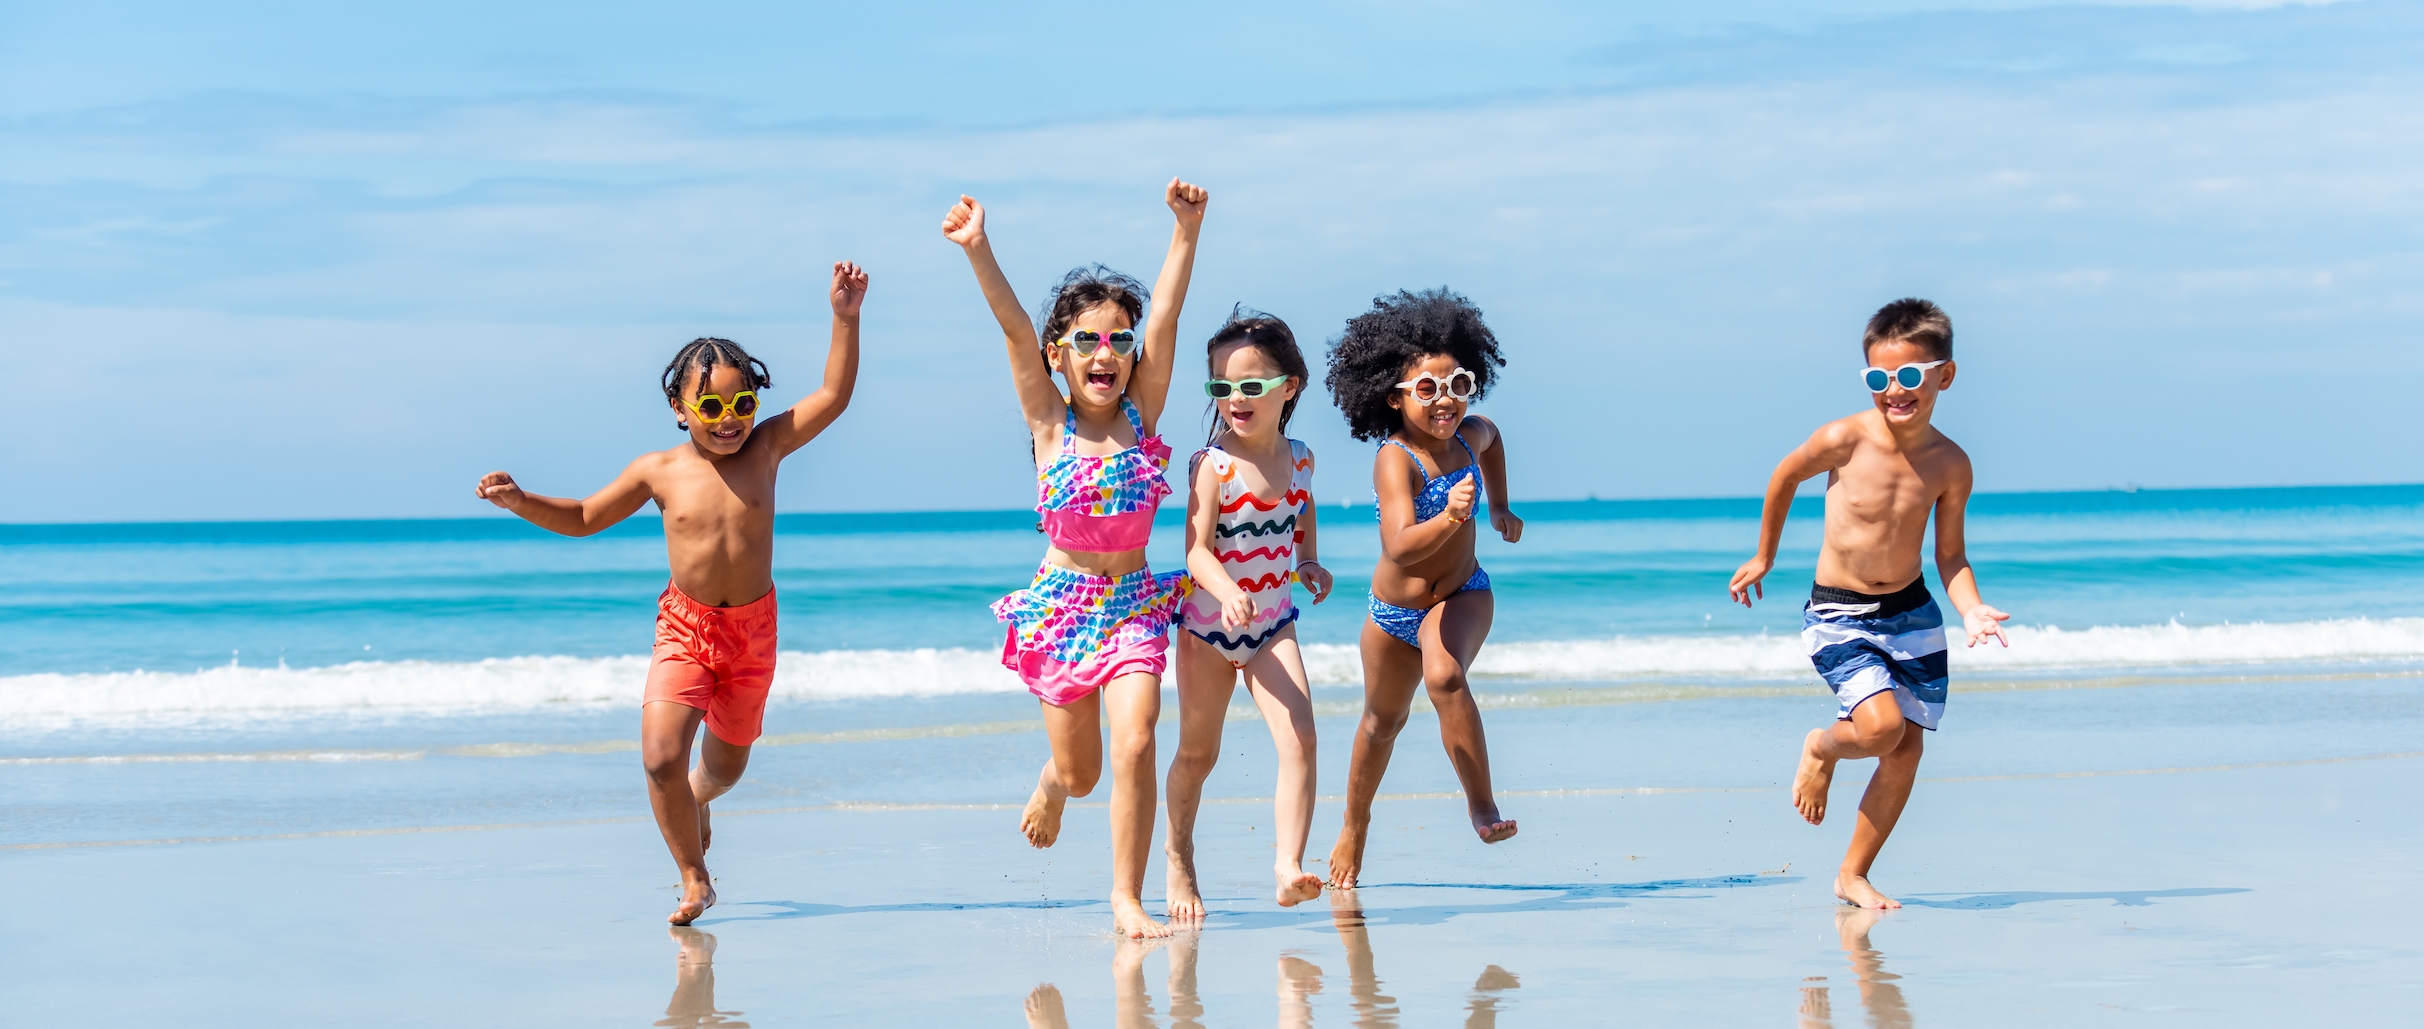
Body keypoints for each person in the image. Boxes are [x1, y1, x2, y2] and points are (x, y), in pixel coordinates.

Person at [475, 262, 869, 925]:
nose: (729, 419)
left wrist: (845, 316)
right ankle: (694, 877)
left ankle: (701, 796)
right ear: (680, 407)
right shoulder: (658, 471)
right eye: (710, 406)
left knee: (725, 766)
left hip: (752, 634)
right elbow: (580, 517)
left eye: (741, 403)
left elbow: (834, 392)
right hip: (685, 628)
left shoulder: (767, 448)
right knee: (660, 755)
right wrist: (520, 501)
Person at [940, 179, 1208, 940]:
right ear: (1061, 356)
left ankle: (1125, 896)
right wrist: (979, 248)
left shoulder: (1142, 414)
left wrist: (1185, 231)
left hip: (1131, 606)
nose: (1105, 352)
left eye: (1117, 340)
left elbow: (1167, 314)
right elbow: (1014, 329)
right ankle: (1055, 782)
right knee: (1085, 771)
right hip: (1061, 608)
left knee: (1138, 737)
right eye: (1087, 339)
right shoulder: (1049, 421)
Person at [1727, 297, 2012, 910]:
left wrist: (1972, 609)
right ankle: (1823, 745)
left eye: (1909, 375)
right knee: (1881, 730)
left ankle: (1851, 873)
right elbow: (1783, 477)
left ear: (1944, 374)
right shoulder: (1845, 439)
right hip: (1838, 613)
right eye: (1879, 379)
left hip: (1912, 615)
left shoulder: (1951, 464)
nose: (1894, 391)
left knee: (1907, 750)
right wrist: (1765, 554)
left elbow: (1951, 558)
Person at [1319, 288, 1524, 889]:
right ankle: (1354, 826)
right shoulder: (1396, 458)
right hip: (1392, 612)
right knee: (1381, 724)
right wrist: (1454, 516)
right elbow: (1400, 545)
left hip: (1462, 592)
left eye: (1458, 385)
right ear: (1394, 397)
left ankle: (1481, 804)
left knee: (1445, 676)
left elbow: (1496, 442)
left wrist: (1501, 507)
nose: (1446, 401)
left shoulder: (1472, 437)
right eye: (1427, 389)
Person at [1164, 309, 1335, 922]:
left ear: (1288, 387)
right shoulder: (1213, 465)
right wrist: (1225, 588)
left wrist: (1309, 560)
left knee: (1302, 738)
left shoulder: (1303, 457)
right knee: (1197, 755)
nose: (1236, 399)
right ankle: (1178, 855)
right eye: (1221, 387)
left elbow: (1302, 510)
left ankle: (1288, 866)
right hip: (1209, 629)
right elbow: (1196, 549)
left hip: (1271, 625)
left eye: (1251, 385)